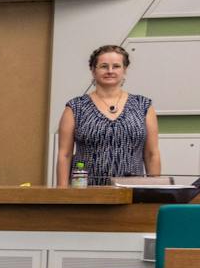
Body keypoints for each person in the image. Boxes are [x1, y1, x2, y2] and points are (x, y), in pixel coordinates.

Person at [55, 44, 159, 186]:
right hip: (86, 192)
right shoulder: (75, 107)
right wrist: (62, 192)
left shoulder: (143, 106)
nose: (110, 71)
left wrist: (156, 192)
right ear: (93, 70)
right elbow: (64, 155)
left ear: (125, 70)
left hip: (132, 193)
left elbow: (151, 154)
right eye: (104, 66)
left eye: (116, 66)